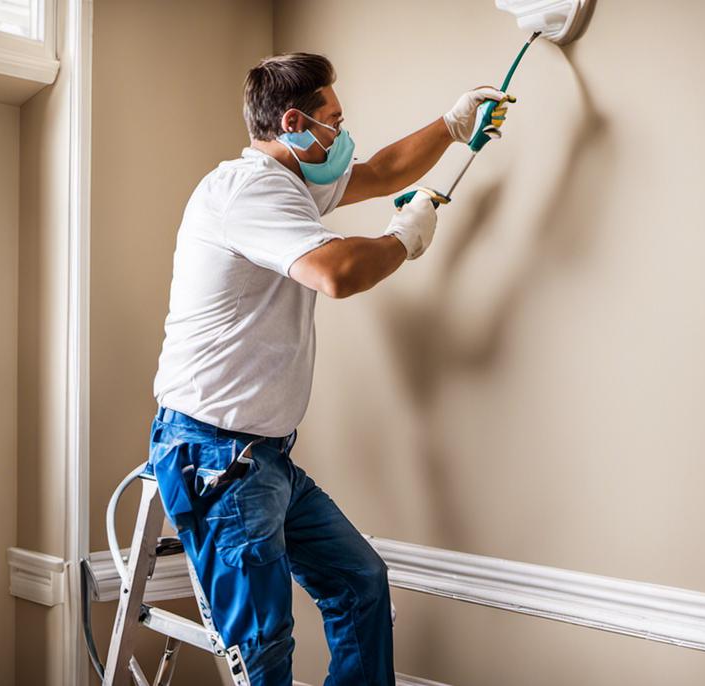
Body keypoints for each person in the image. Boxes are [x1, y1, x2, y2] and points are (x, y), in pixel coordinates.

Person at [145, 52, 513, 685]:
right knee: (262, 648)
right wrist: (404, 238)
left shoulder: (292, 181)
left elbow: (379, 172)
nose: (343, 134)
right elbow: (337, 273)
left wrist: (452, 125)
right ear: (293, 120)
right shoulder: (247, 191)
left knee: (360, 583)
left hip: (264, 457)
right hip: (214, 458)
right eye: (333, 120)